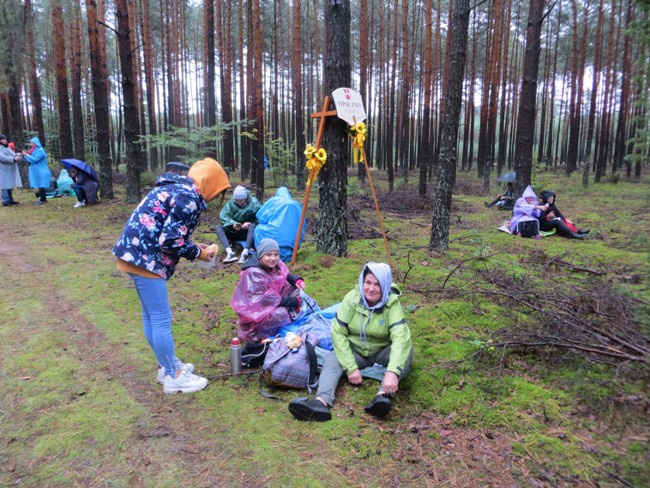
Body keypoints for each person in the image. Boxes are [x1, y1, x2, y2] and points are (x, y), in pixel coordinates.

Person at [113, 157, 230, 394]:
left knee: (151, 316)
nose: (215, 197)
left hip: (134, 253)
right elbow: (170, 241)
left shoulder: (173, 188)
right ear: (209, 184)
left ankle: (166, 367)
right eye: (217, 191)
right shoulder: (189, 198)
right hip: (147, 260)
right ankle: (174, 377)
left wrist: (195, 245)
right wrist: (200, 254)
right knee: (160, 318)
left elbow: (166, 230)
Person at [288, 262, 413, 422]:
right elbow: (338, 332)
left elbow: (400, 338)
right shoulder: (352, 299)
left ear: (385, 286)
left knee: (406, 353)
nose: (371, 288)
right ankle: (321, 403)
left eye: (377, 284)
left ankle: (383, 396)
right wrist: (351, 367)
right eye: (367, 283)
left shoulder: (392, 304)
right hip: (355, 350)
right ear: (362, 282)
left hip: (382, 350)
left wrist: (392, 373)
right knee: (333, 359)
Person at [230, 238, 318, 342]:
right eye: (269, 255)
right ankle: (259, 333)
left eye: (276, 254)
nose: (273, 258)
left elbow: (283, 275)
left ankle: (302, 312)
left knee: (293, 288)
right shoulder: (253, 273)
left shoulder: (273, 264)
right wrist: (294, 302)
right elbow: (267, 299)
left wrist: (296, 280)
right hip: (255, 313)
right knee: (281, 314)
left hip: (271, 301)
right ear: (261, 255)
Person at [216, 184, 261, 264]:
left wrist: (249, 223)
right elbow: (224, 216)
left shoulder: (254, 203)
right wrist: (233, 224)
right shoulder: (230, 204)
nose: (239, 203)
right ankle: (230, 253)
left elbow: (260, 217)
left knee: (252, 226)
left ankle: (245, 252)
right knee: (219, 227)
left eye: (241, 200)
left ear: (246, 198)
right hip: (234, 231)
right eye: (237, 201)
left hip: (248, 233)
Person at [21, 137, 51, 206]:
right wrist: (26, 155)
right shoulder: (35, 150)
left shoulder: (40, 150)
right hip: (37, 170)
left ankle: (43, 199)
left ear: (35, 143)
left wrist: (26, 155)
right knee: (39, 184)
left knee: (41, 185)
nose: (31, 144)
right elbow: (30, 159)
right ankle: (42, 199)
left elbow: (35, 160)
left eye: (32, 143)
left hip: (41, 170)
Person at [0, 134, 20, 206]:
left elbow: (12, 154)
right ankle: (5, 201)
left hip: (10, 169)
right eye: (3, 139)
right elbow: (2, 158)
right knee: (4, 186)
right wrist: (13, 159)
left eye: (6, 139)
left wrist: (17, 155)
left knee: (10, 185)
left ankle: (10, 199)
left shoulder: (7, 147)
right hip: (3, 170)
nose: (5, 140)